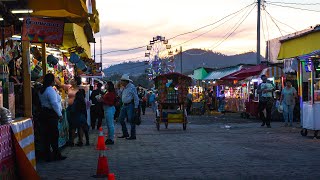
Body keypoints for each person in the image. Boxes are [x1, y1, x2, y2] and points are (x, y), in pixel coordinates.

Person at [38, 73, 66, 162]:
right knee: (54, 135)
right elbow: (54, 104)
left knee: (46, 136)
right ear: (51, 81)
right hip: (50, 115)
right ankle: (56, 154)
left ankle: (48, 155)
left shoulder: (42, 90)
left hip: (44, 114)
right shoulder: (50, 90)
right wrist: (60, 115)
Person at [118, 74, 140, 140]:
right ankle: (125, 133)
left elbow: (136, 97)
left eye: (122, 81)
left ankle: (133, 135)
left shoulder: (132, 87)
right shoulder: (124, 87)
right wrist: (120, 89)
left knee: (131, 120)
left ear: (125, 81)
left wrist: (136, 107)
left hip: (130, 105)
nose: (121, 82)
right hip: (124, 105)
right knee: (121, 119)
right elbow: (120, 95)